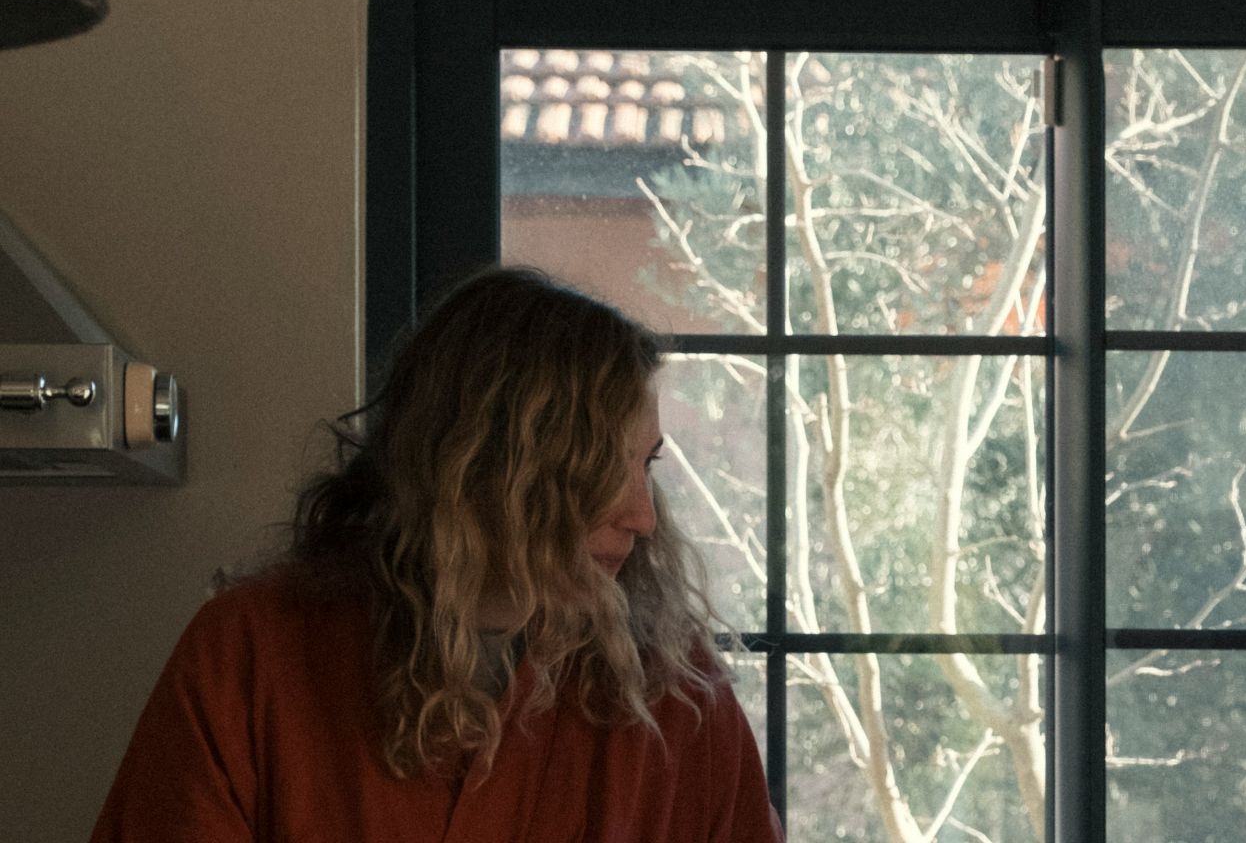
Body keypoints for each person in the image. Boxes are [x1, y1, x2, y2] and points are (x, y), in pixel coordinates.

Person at [92, 267, 782, 842]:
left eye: (646, 464)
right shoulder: (249, 659)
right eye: (598, 468)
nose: (642, 517)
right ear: (481, 468)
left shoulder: (677, 698)